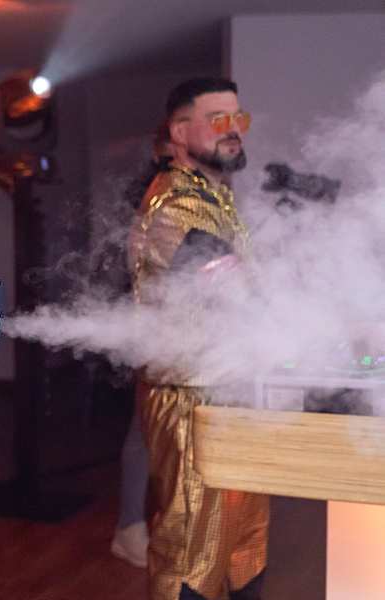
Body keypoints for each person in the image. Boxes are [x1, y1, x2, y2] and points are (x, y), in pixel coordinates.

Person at [127, 77, 269, 599]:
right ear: (180, 132)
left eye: (238, 119)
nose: (234, 130)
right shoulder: (175, 203)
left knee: (243, 545)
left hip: (231, 391)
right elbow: (226, 284)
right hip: (192, 400)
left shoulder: (215, 195)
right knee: (193, 551)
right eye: (218, 120)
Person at [110, 124, 175, 569]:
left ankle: (143, 525)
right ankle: (131, 526)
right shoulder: (153, 194)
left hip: (171, 328)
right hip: (154, 327)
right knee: (144, 427)